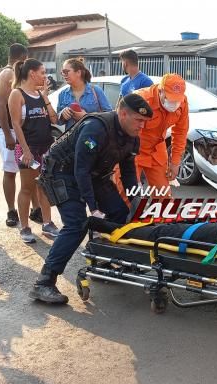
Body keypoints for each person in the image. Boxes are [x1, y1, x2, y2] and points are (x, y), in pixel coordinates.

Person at [29, 94, 153, 304]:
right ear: (123, 114)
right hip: (62, 173)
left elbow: (129, 173)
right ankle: (44, 283)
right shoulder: (96, 128)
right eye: (139, 120)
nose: (142, 126)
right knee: (77, 225)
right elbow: (81, 170)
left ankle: (101, 262)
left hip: (95, 174)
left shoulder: (132, 136)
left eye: (145, 122)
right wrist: (93, 208)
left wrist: (138, 202)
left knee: (119, 214)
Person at [8, 58, 59, 243]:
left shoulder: (40, 95)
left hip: (45, 148)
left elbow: (54, 120)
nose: (45, 76)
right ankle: (25, 228)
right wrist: (26, 150)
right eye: (43, 72)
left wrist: (45, 97)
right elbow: (15, 124)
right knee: (27, 188)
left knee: (44, 186)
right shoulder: (17, 94)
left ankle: (47, 223)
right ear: (32, 73)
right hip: (28, 149)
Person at [0, 43, 42, 228]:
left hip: (20, 127)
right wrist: (8, 134)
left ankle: (35, 209)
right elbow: (0, 105)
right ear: (23, 57)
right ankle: (11, 210)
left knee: (30, 171)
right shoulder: (8, 74)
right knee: (10, 171)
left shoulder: (17, 76)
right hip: (8, 128)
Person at [133, 74, 189, 197]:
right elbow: (125, 133)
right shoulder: (141, 100)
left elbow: (180, 133)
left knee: (164, 197)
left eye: (177, 99)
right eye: (170, 98)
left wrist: (175, 163)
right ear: (161, 90)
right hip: (133, 150)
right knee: (127, 196)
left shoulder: (183, 103)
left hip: (156, 150)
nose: (174, 103)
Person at [56, 58, 111, 130]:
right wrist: (62, 114)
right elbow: (58, 121)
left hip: (93, 136)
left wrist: (86, 116)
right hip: (72, 138)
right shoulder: (62, 94)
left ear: (78, 72)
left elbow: (109, 115)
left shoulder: (96, 91)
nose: (64, 75)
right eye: (62, 72)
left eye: (66, 72)